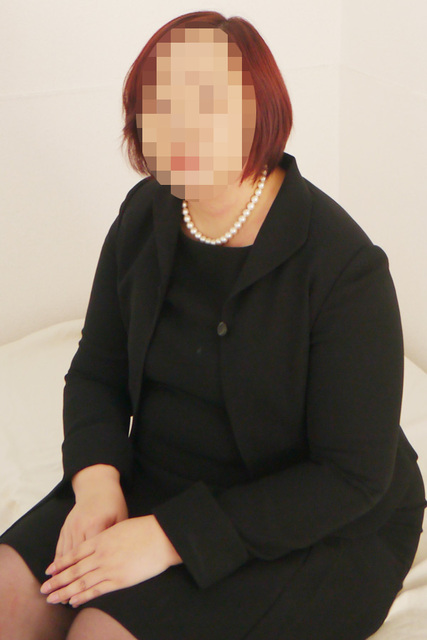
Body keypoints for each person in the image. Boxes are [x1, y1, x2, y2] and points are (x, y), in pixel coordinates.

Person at [0, 10, 425, 640]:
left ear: (261, 111)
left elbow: (350, 478)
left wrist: (169, 538)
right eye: (160, 105)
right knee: (8, 596)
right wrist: (97, 483)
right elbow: (96, 373)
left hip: (305, 519)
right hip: (159, 476)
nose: (182, 126)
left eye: (209, 101)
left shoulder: (344, 269)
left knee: (100, 632)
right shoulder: (143, 216)